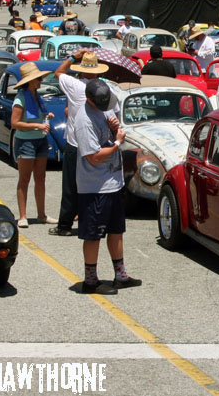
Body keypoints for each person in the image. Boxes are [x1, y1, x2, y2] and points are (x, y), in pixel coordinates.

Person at [75, 78, 140, 294]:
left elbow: (113, 127)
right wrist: (117, 143)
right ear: (89, 99)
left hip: (112, 182)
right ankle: (90, 280)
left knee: (116, 230)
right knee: (93, 234)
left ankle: (120, 275)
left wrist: (114, 129)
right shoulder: (84, 120)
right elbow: (93, 157)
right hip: (95, 186)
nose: (106, 108)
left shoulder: (103, 108)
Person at [50, 51, 110, 236]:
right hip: (97, 143)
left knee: (70, 185)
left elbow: (58, 73)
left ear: (81, 69)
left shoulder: (75, 84)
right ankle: (92, 222)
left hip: (76, 142)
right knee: (94, 185)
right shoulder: (104, 88)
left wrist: (71, 57)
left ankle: (65, 225)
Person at [10, 62, 57, 228]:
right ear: (30, 81)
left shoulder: (37, 96)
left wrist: (46, 116)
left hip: (40, 140)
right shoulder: (20, 98)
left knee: (41, 177)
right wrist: (37, 125)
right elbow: (15, 123)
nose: (40, 81)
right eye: (38, 79)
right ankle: (23, 216)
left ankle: (42, 215)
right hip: (26, 141)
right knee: (24, 178)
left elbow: (38, 116)